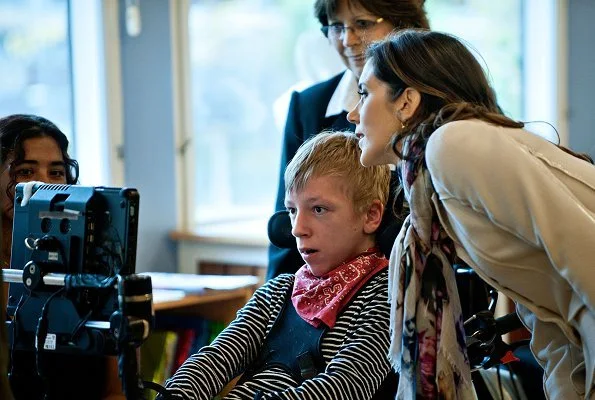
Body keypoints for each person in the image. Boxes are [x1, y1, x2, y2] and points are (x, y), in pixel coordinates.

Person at [347, 29, 595, 399]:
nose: (352, 113)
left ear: (407, 101)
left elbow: (586, 251)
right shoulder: (431, 185)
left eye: (364, 93)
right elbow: (550, 311)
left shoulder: (453, 145)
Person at [162, 131, 394, 399]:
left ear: (371, 215)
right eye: (293, 210)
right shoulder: (279, 292)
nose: (297, 229)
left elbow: (344, 387)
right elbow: (214, 359)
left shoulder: (384, 296)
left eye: (318, 209)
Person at [267, 0, 430, 280]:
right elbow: (288, 220)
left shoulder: (437, 101)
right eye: (336, 27)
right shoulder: (309, 106)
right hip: (320, 301)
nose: (347, 40)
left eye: (363, 24)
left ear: (403, 23)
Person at [0, 114, 125, 400]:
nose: (43, 185)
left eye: (56, 173)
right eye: (25, 171)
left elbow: (115, 393)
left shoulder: (92, 268)